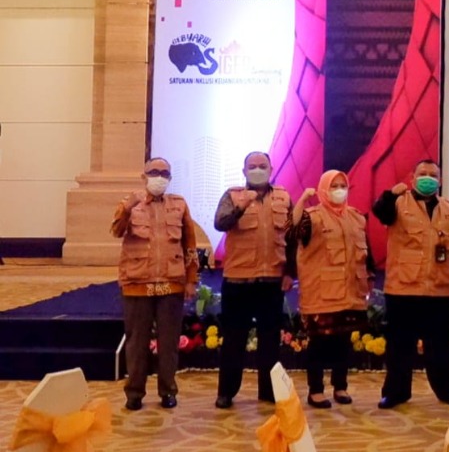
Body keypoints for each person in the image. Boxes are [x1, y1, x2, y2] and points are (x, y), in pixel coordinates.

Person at [372, 159, 449, 409]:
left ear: (440, 180)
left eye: (433, 174)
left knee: (441, 347)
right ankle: (396, 393)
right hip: (403, 288)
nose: (428, 178)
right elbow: (379, 211)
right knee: (399, 346)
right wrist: (391, 194)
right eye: (422, 173)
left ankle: (447, 391)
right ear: (412, 178)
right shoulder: (398, 203)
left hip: (438, 289)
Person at [112, 157, 198, 411]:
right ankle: (134, 393)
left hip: (171, 284)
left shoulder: (179, 205)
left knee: (169, 343)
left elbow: (190, 245)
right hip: (137, 283)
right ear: (144, 176)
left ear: (170, 178)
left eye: (164, 173)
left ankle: (168, 390)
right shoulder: (130, 203)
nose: (159, 177)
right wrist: (127, 208)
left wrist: (191, 280)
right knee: (136, 343)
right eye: (154, 172)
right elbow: (116, 231)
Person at [213, 151, 294, 409]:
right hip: (238, 280)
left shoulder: (283, 197)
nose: (257, 170)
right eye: (252, 166)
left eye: (262, 165)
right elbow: (220, 223)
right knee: (234, 339)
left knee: (270, 339)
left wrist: (290, 272)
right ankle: (226, 392)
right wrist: (242, 206)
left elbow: (292, 237)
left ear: (271, 169)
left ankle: (268, 391)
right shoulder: (233, 195)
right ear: (244, 171)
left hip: (272, 280)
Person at [291, 169, 372, 408]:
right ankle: (316, 390)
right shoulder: (311, 216)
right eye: (333, 186)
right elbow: (293, 232)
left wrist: (369, 276)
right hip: (321, 294)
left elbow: (366, 252)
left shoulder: (356, 217)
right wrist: (302, 201)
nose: (339, 190)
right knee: (319, 345)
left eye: (342, 186)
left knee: (343, 343)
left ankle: (340, 386)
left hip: (350, 291)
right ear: (323, 189)